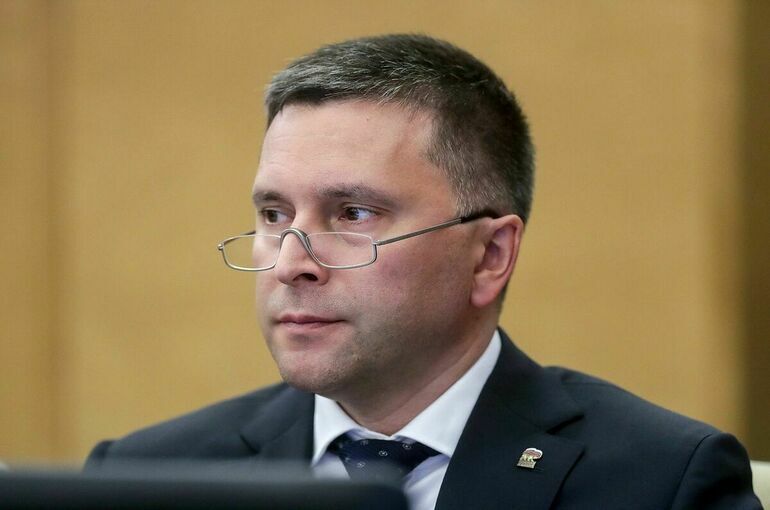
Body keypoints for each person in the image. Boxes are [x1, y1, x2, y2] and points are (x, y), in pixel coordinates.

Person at [86, 34, 761, 509]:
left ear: (489, 256)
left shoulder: (662, 483)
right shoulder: (146, 478)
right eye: (273, 213)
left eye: (353, 213)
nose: (291, 263)